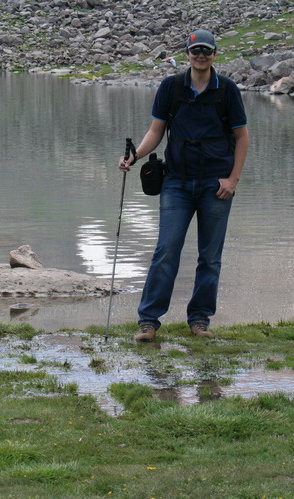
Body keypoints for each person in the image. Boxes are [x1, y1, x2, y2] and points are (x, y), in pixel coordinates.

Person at [118, 29, 249, 342]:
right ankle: (148, 322)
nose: (200, 56)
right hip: (175, 182)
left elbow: (242, 137)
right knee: (166, 250)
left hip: (216, 184)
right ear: (188, 54)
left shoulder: (227, 89)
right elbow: (156, 132)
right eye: (195, 51)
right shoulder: (171, 87)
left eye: (206, 51)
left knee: (210, 256)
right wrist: (134, 156)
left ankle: (199, 320)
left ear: (215, 54)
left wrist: (232, 180)